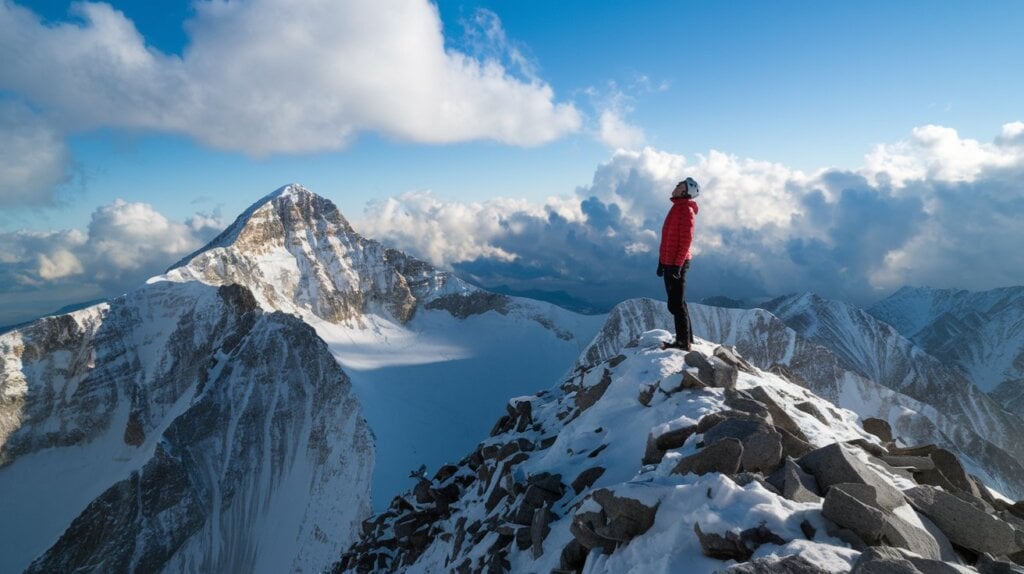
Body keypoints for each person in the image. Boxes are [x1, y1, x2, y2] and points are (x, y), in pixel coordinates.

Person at [656, 177, 700, 350]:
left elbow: (685, 241)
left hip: (677, 263)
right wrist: (662, 262)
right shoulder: (677, 208)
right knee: (678, 302)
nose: (675, 187)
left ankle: (683, 343)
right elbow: (667, 238)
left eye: (679, 186)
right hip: (670, 262)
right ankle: (687, 338)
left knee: (675, 303)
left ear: (685, 192)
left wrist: (677, 265)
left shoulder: (685, 211)